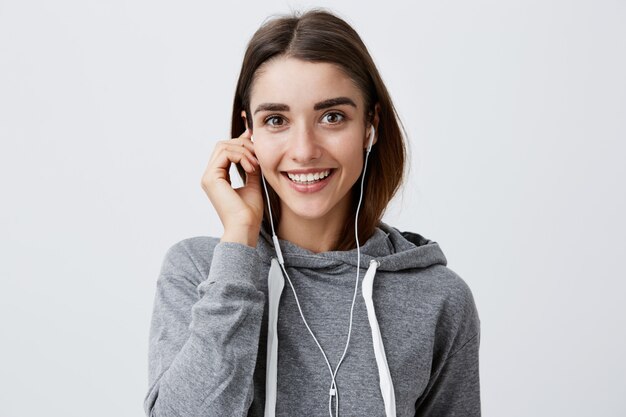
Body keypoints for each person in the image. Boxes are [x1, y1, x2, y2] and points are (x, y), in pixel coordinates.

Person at [144, 9, 480, 417]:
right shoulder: (201, 270)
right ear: (248, 132)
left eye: (332, 117)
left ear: (370, 125)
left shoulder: (437, 297)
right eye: (276, 120)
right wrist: (240, 241)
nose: (304, 150)